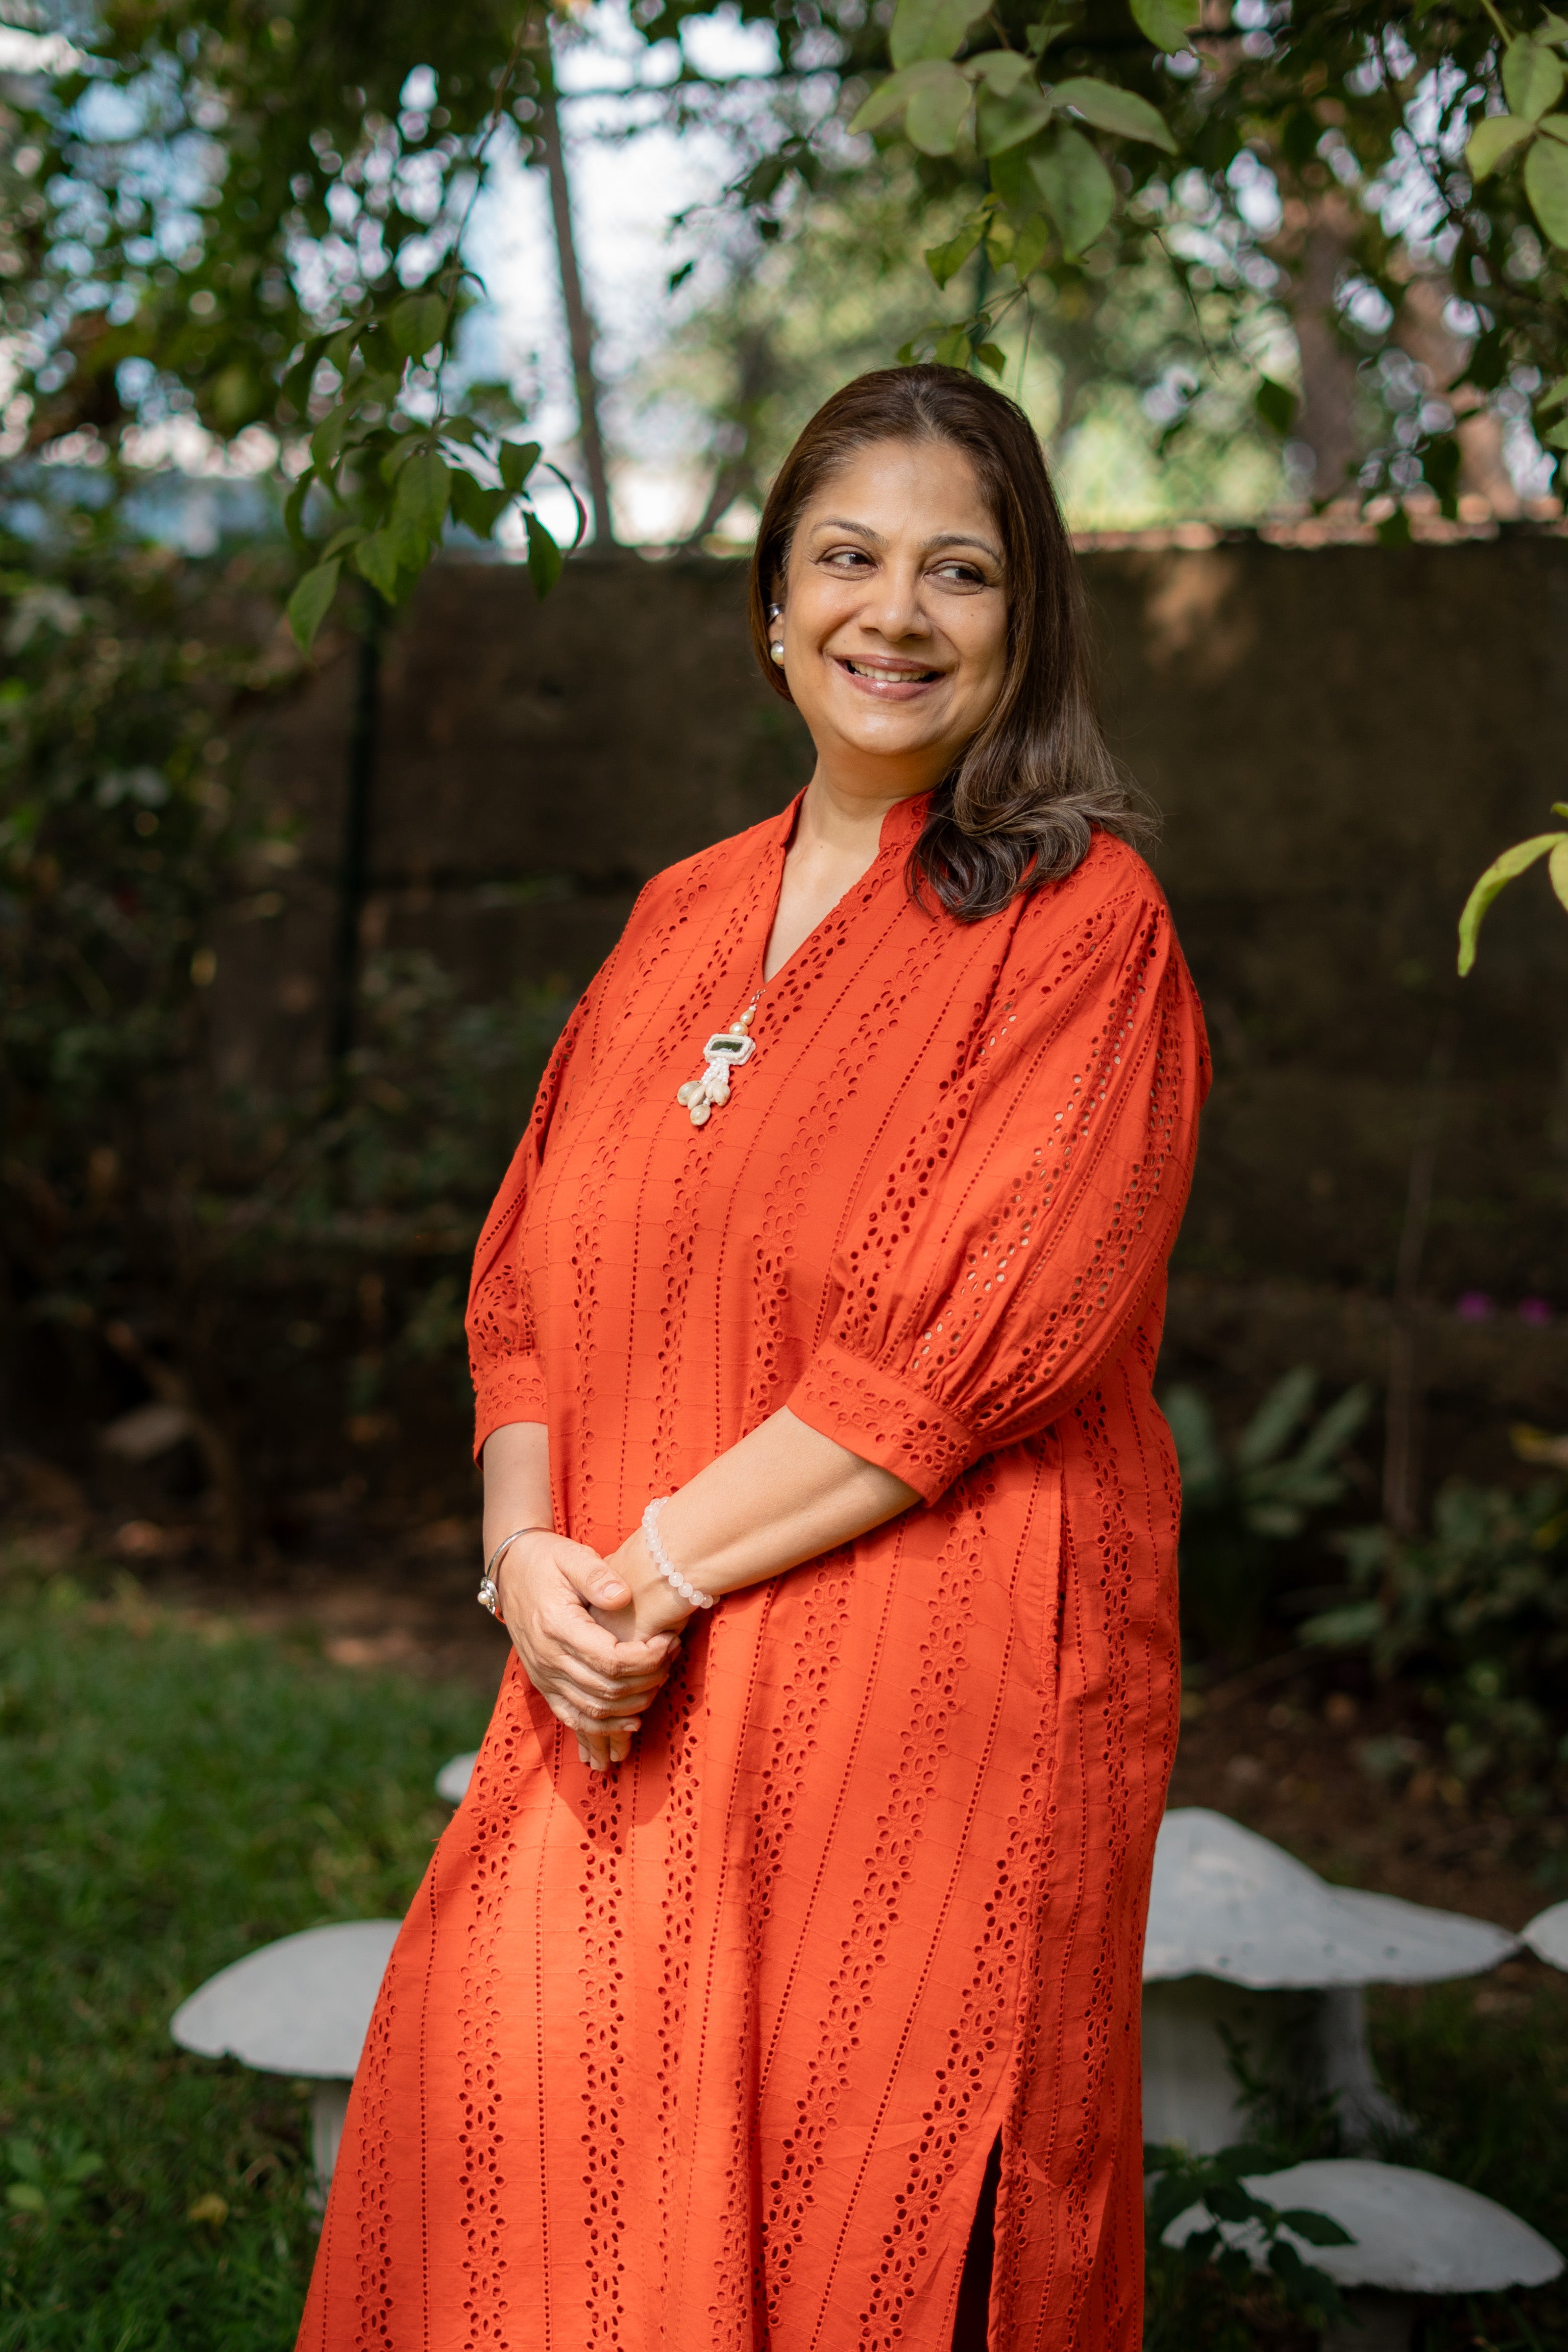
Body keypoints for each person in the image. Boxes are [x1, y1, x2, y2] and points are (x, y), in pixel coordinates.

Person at [297, 363, 1209, 2352]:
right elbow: (528, 1284)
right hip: (625, 1666)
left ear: (1026, 618)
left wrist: (631, 1580)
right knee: (526, 2143)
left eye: (958, 570)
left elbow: (957, 1355)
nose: (897, 613)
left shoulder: (1083, 928)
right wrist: (525, 1569)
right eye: (848, 558)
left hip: (922, 1692)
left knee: (871, 2192)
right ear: (769, 608)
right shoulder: (674, 916)